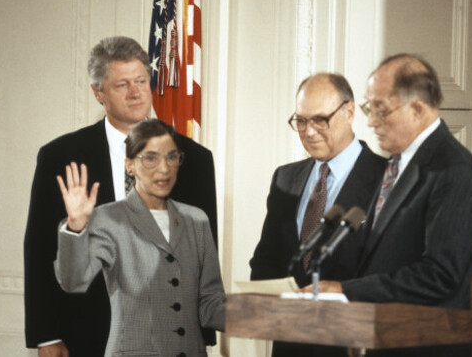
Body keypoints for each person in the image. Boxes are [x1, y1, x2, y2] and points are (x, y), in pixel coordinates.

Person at [24, 36, 218, 356]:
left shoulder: (194, 159)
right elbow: (41, 247)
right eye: (122, 84)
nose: (136, 92)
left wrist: (202, 335)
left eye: (141, 81)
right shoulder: (61, 156)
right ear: (98, 93)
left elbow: (203, 259)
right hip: (86, 334)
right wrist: (46, 335)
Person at [305, 54, 472, 357]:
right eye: (368, 108)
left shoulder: (453, 170)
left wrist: (347, 291)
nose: (371, 122)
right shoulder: (397, 162)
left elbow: (440, 276)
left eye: (381, 110)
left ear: (417, 108)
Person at [54, 119, 225, 357]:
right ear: (129, 165)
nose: (164, 169)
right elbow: (74, 281)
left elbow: (210, 303)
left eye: (171, 157)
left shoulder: (197, 220)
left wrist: (265, 314)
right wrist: (75, 226)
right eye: (151, 158)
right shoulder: (109, 219)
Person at [250, 73, 387, 357]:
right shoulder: (285, 179)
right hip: (290, 344)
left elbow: (388, 273)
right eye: (301, 121)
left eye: (320, 120)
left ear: (349, 112)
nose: (309, 132)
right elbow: (265, 259)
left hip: (351, 343)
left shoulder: (385, 180)